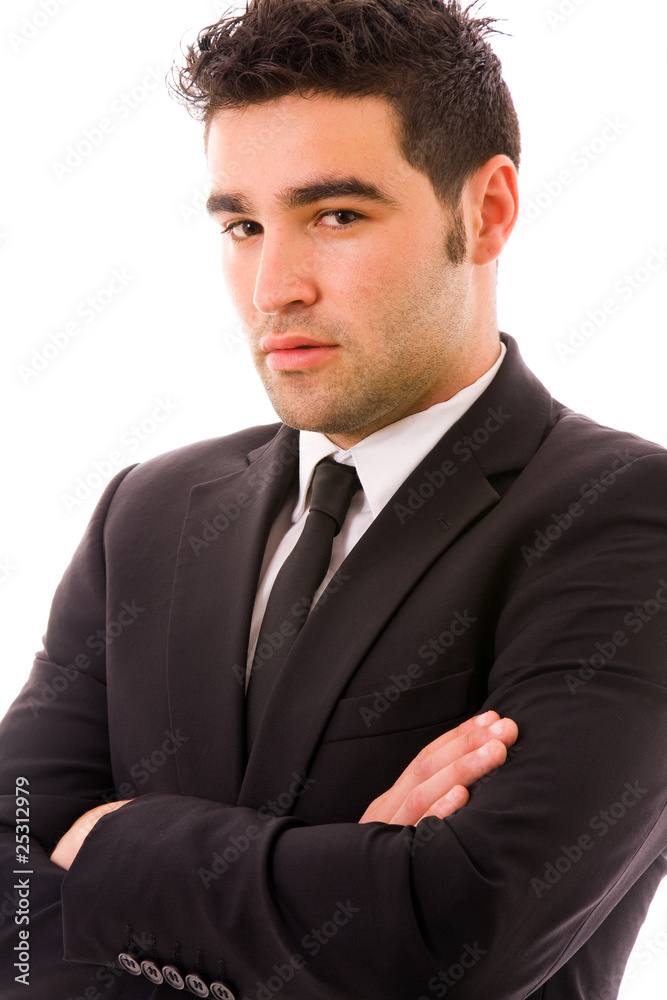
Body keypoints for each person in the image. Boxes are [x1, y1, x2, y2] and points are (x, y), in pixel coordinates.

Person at [1, 1, 666, 998]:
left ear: (486, 212)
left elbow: (455, 934)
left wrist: (108, 841)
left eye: (336, 216)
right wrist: (343, 879)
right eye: (242, 225)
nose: (273, 287)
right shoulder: (148, 509)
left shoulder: (622, 515)